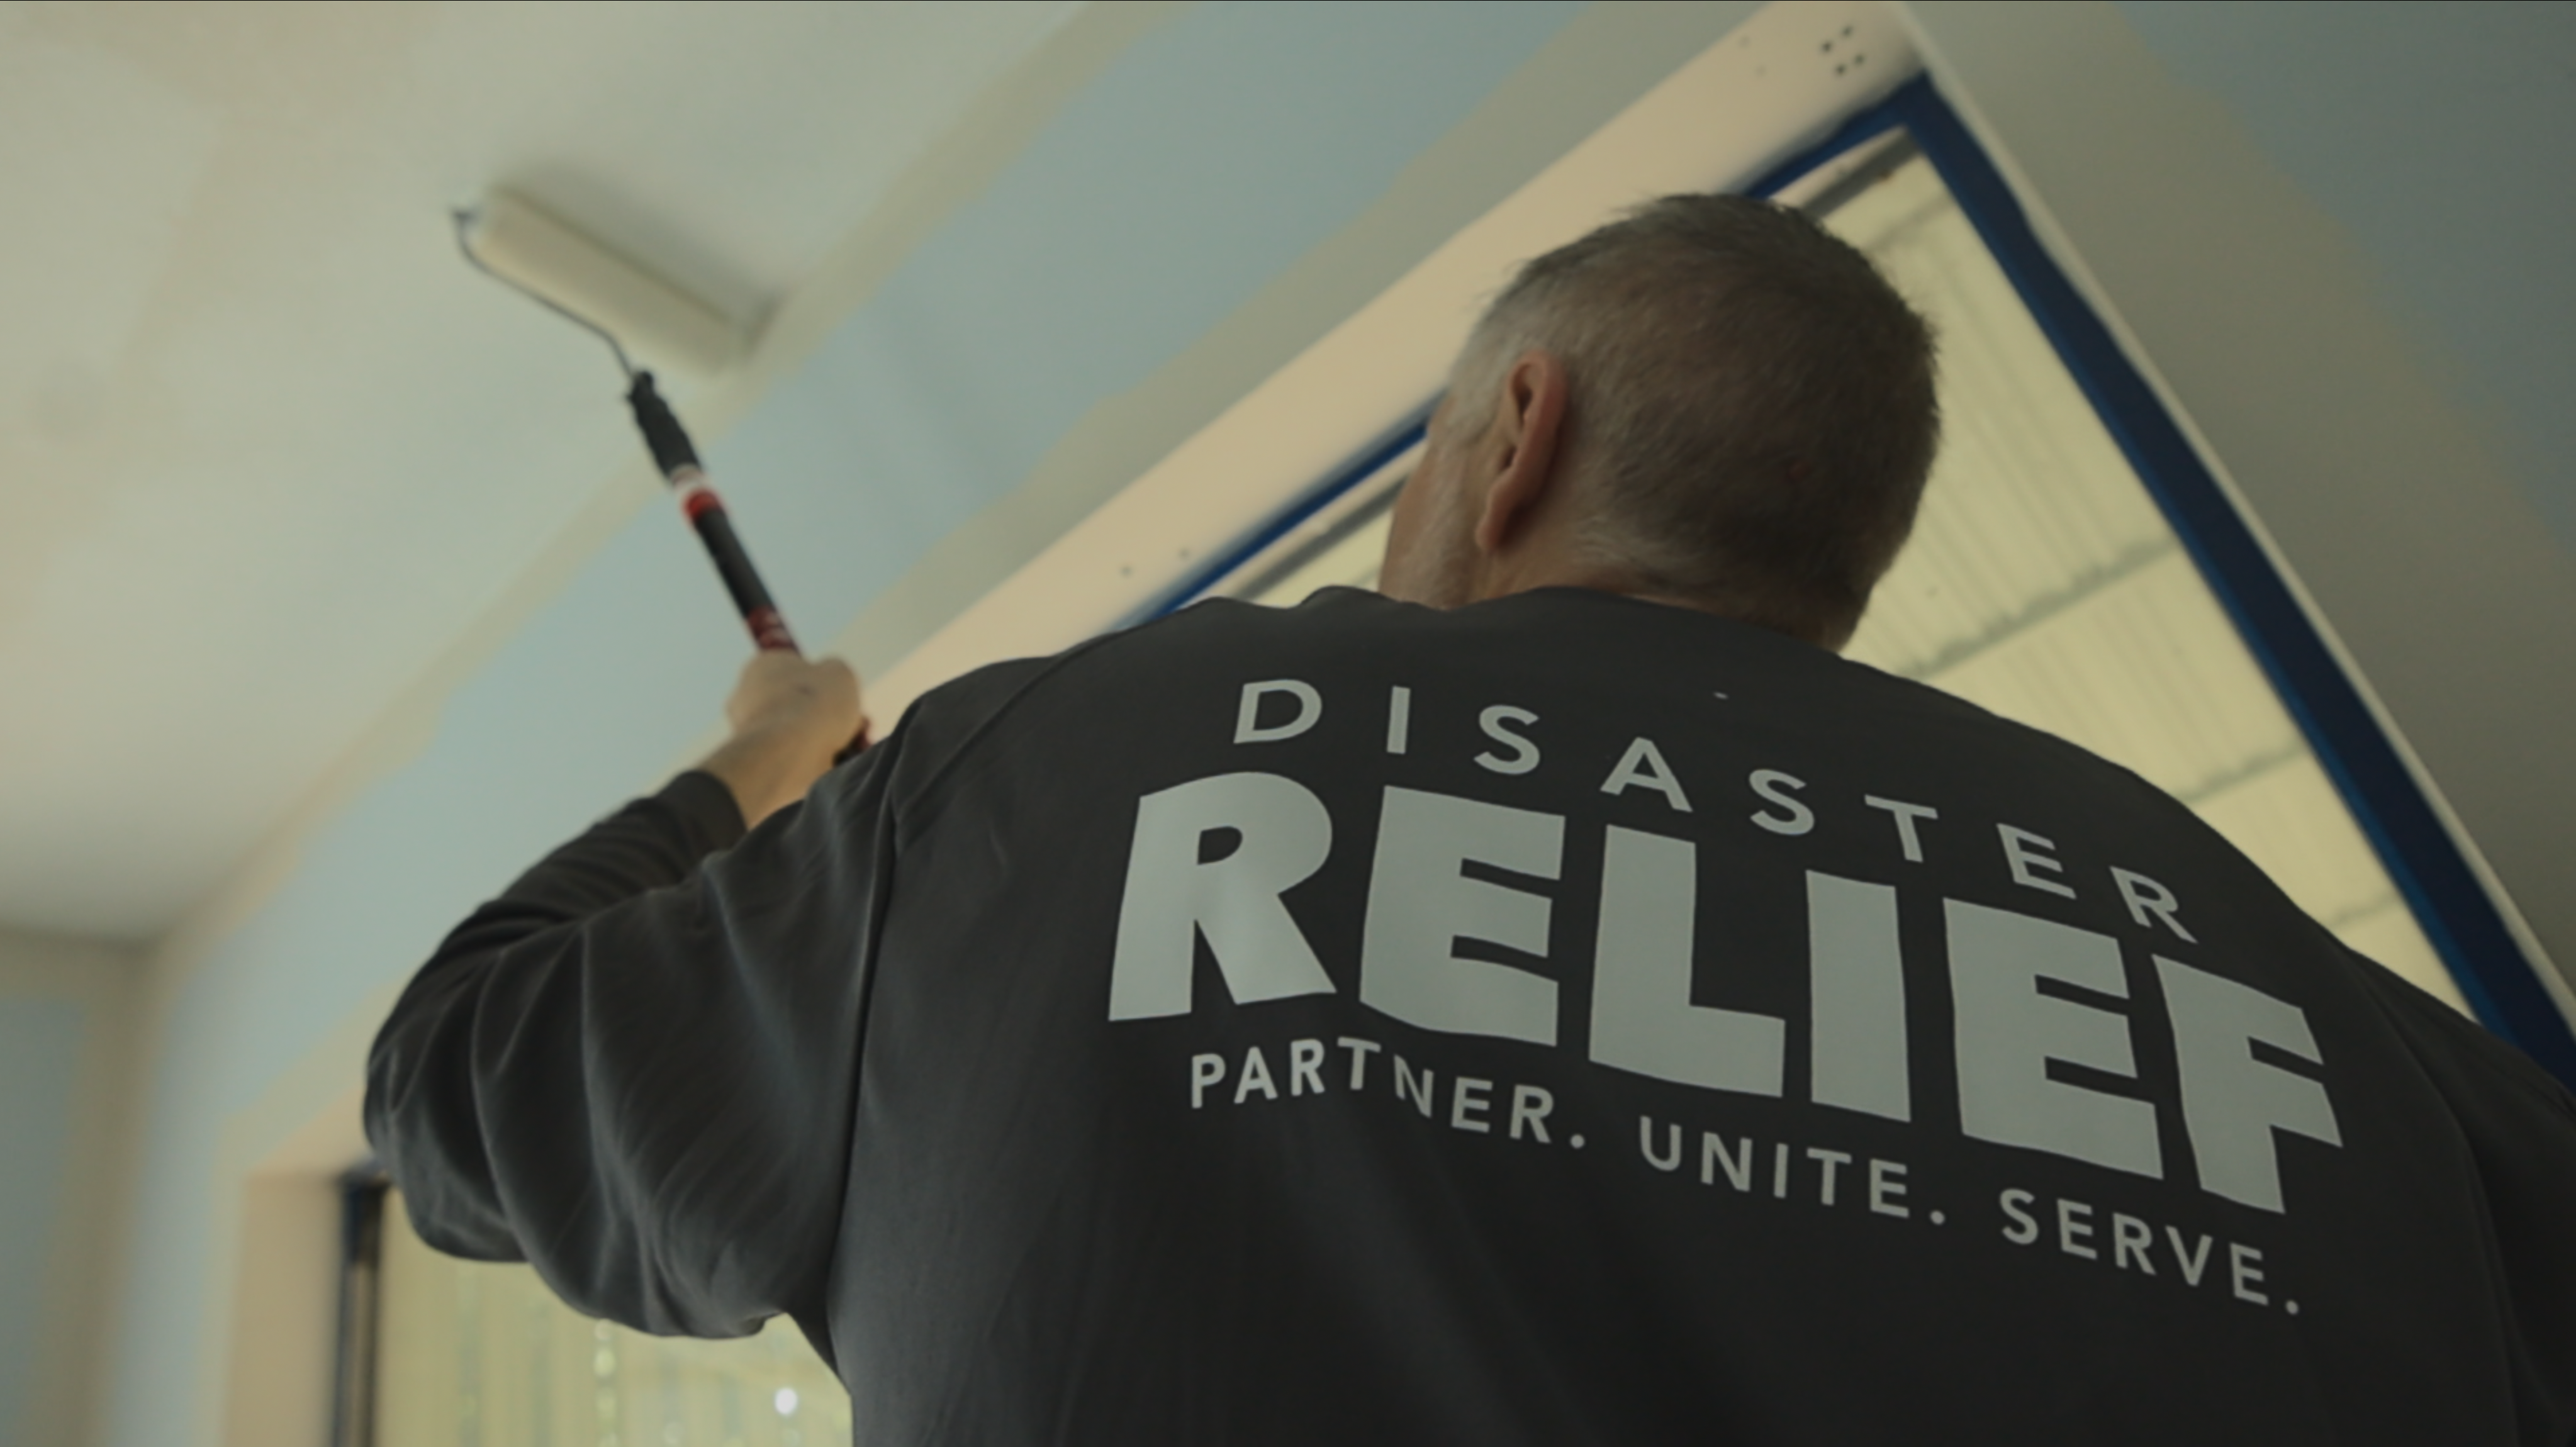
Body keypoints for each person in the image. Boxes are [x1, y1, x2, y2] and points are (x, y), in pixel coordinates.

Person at [366, 194, 2576, 1445]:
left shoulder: (1055, 772)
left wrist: (765, 761)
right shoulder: (2274, 961)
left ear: (1511, 433)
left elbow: (460, 1073)